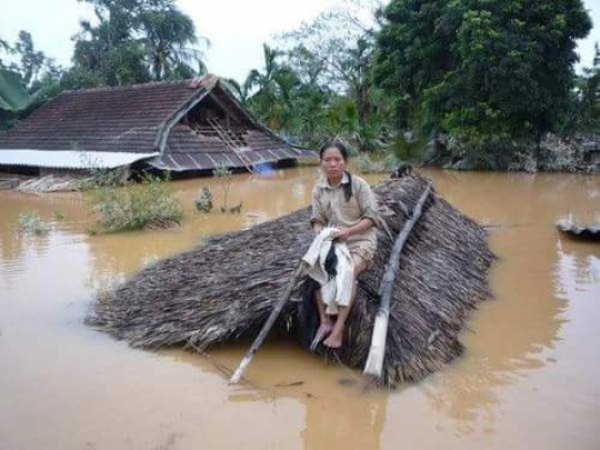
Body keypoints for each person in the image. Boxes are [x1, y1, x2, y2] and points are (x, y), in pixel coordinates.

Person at [309, 141, 379, 349]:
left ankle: (339, 329)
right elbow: (317, 219)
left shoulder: (359, 186)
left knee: (346, 272)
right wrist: (321, 233)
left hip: (360, 241)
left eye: (337, 160)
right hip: (334, 242)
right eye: (327, 160)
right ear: (321, 163)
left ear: (345, 162)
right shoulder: (318, 190)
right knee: (314, 272)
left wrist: (349, 232)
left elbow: (371, 218)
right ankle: (324, 321)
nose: (332, 164)